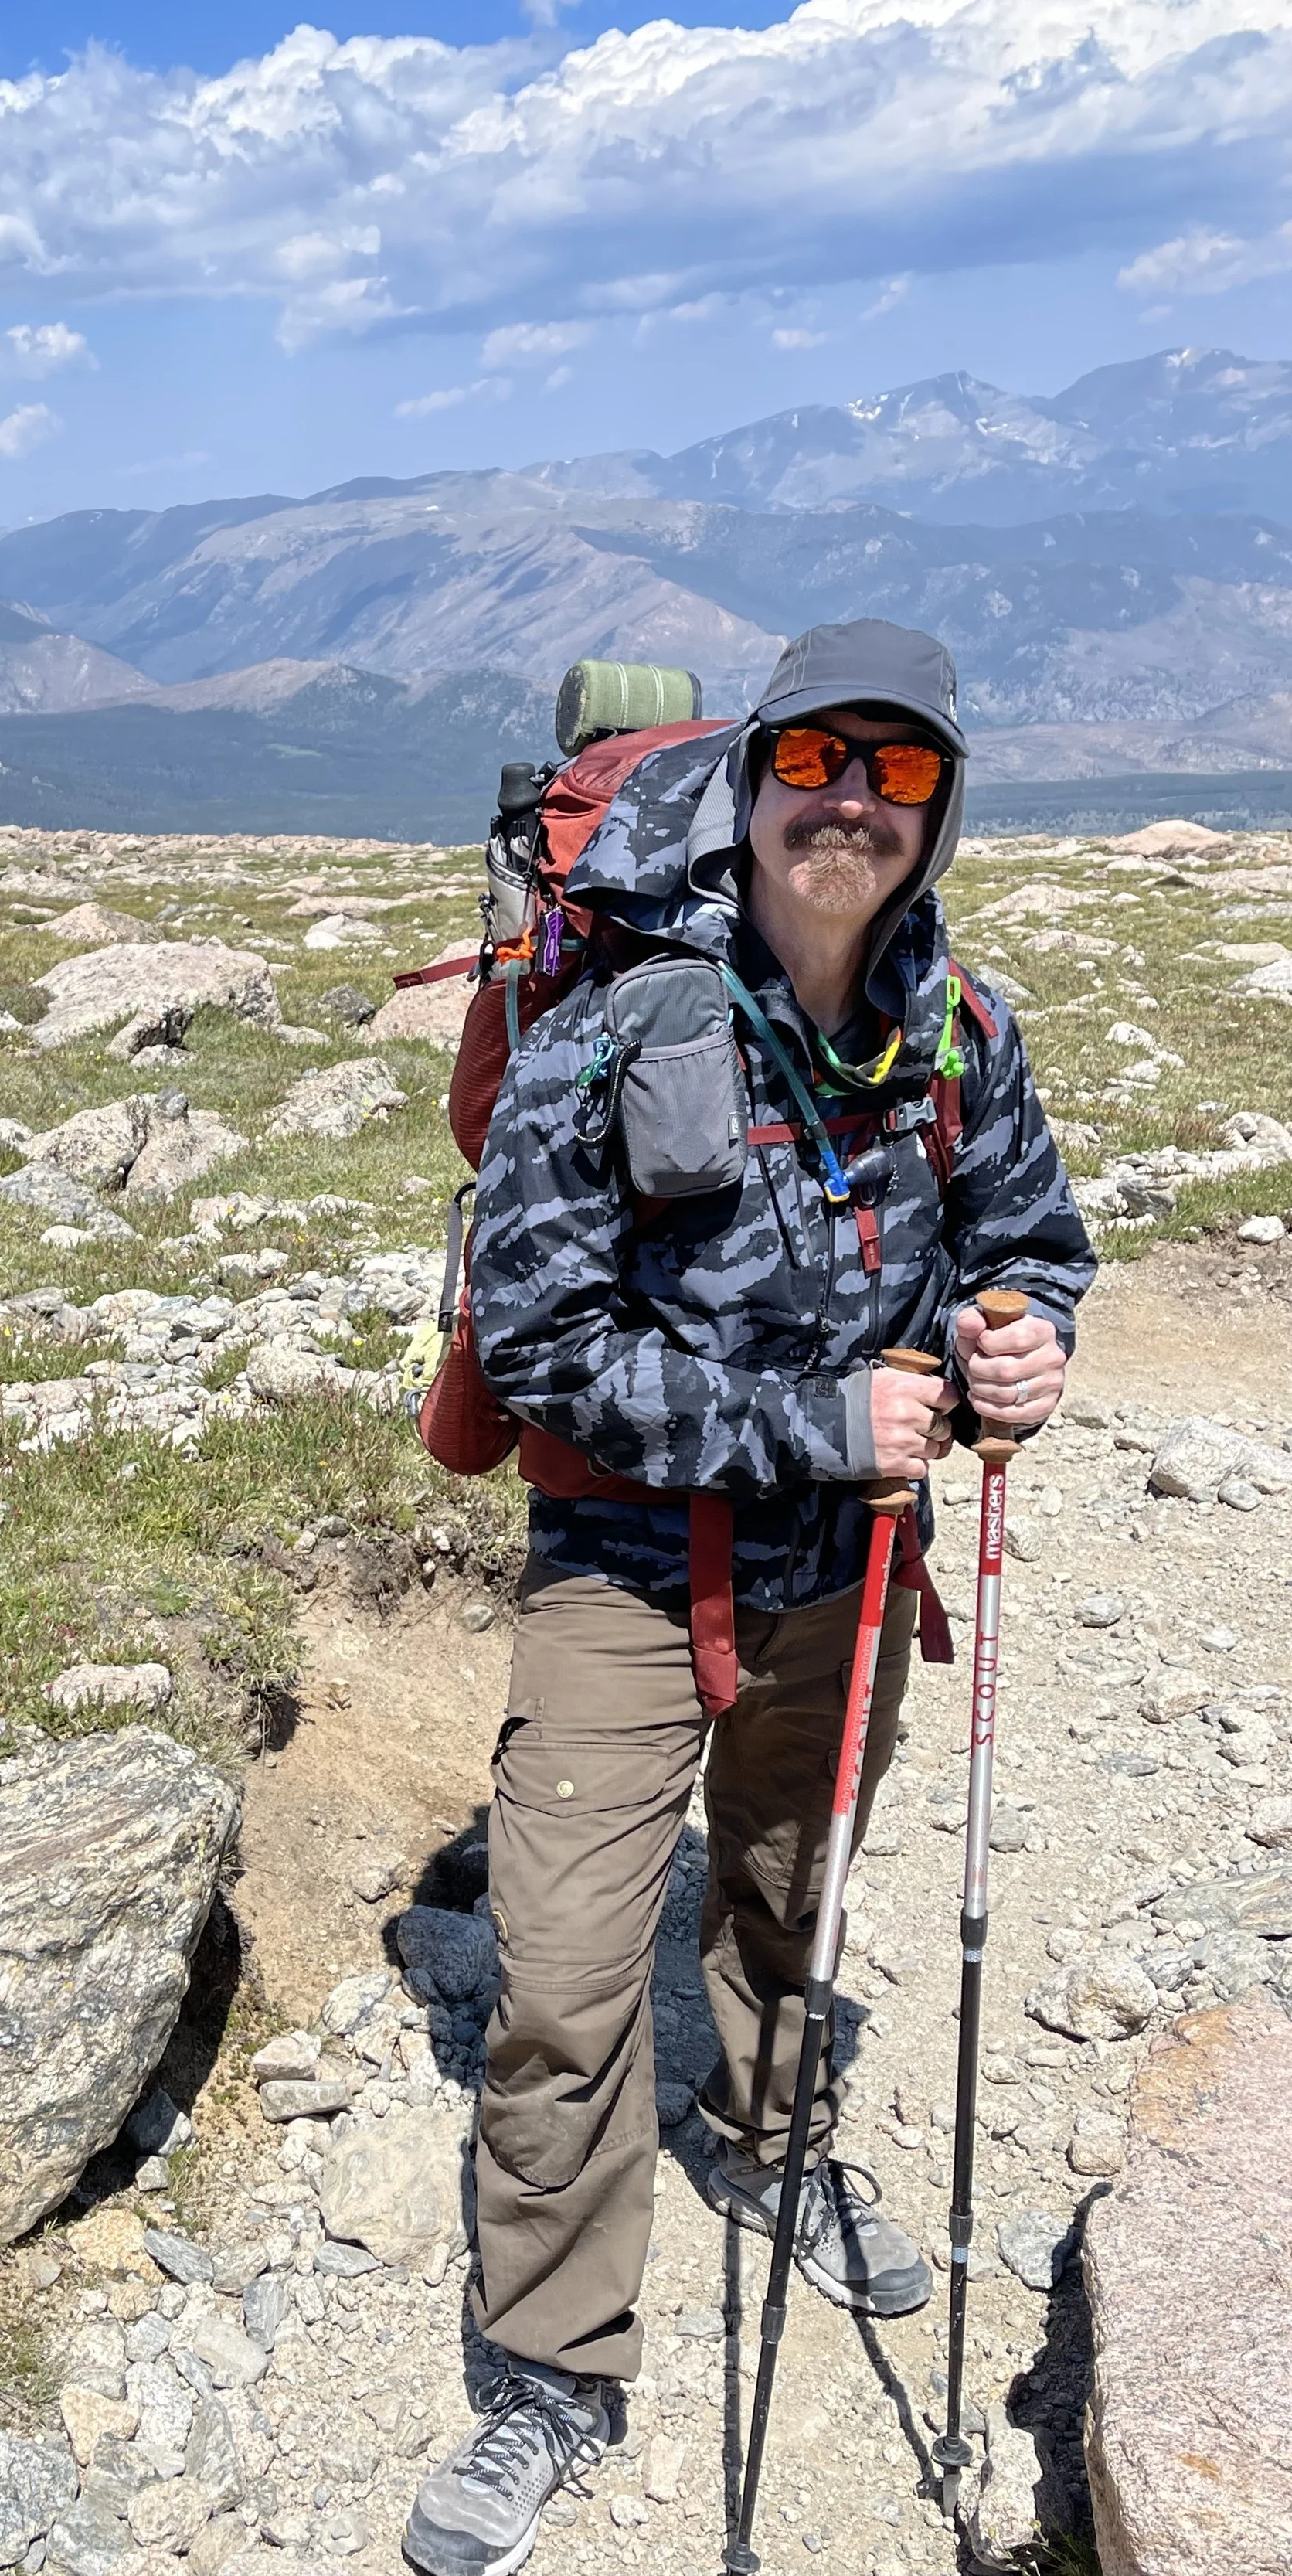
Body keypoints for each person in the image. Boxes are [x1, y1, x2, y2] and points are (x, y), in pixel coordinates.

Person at [403, 619, 1095, 2576]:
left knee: (790, 1893)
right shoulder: (621, 1024)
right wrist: (810, 1417)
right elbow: (538, 1336)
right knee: (555, 1978)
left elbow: (1028, 1239)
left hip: (854, 1568)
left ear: (935, 809)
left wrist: (1020, 1341)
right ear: (754, 777)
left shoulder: (959, 1031)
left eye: (894, 776)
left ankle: (773, 2144)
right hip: (628, 1567)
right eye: (816, 764)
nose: (848, 808)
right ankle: (552, 2361)